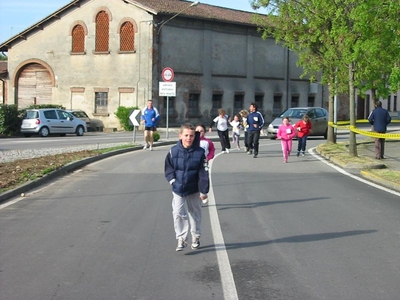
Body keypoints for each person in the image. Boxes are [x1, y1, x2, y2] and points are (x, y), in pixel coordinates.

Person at [165, 123, 210, 251]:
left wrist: (203, 190)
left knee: (195, 213)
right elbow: (168, 168)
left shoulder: (200, 153)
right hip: (178, 188)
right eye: (186, 135)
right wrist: (172, 181)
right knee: (178, 213)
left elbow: (203, 172)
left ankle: (196, 236)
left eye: (191, 136)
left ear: (194, 137)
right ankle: (181, 238)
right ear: (180, 136)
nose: (188, 138)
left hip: (194, 189)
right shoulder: (173, 151)